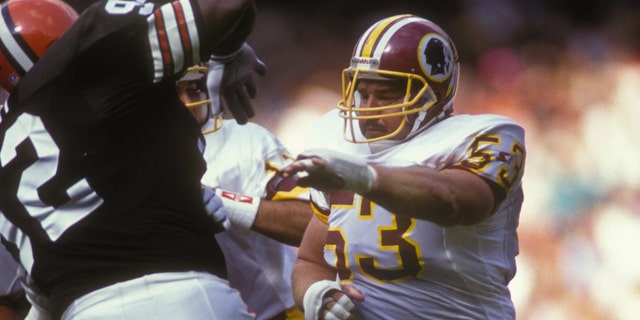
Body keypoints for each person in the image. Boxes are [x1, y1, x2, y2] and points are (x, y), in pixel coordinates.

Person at [0, 0, 266, 318]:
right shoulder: (90, 51)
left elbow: (43, 298)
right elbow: (228, 5)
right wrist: (228, 52)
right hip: (183, 296)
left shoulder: (6, 144)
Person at [283, 14, 526, 319]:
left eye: (385, 95)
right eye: (362, 93)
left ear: (433, 96)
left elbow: (455, 202)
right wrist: (317, 294)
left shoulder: (488, 136)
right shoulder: (333, 139)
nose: (368, 110)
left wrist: (361, 176)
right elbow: (310, 261)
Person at [177, 65, 311, 320]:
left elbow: (311, 223)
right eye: (174, 93)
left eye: (193, 90)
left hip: (277, 313)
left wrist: (222, 201)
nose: (187, 103)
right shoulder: (119, 158)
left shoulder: (243, 140)